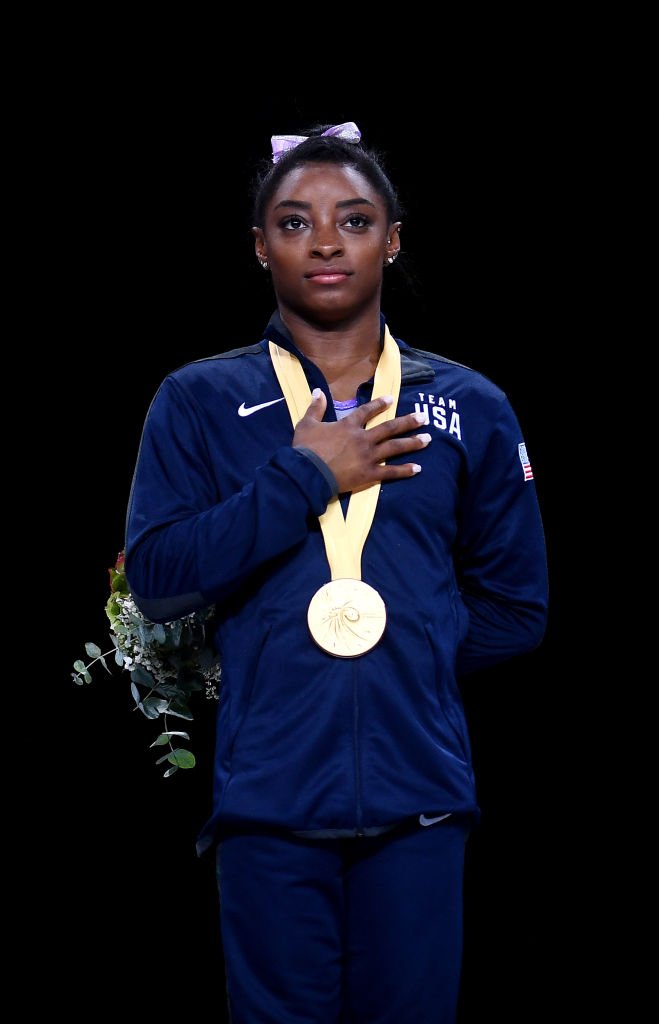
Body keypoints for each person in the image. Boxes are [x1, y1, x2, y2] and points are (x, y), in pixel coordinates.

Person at [124, 121, 548, 1023]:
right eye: (293, 222)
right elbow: (157, 576)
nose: (324, 242)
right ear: (259, 246)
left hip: (419, 802)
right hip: (268, 804)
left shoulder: (469, 404)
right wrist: (306, 475)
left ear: (392, 241)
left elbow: (516, 608)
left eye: (353, 220)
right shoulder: (197, 400)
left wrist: (399, 650)